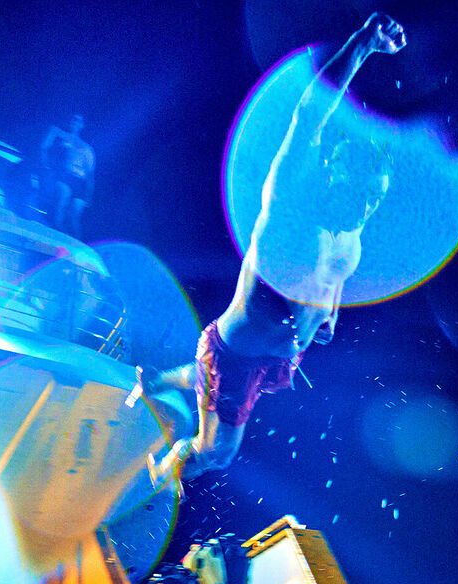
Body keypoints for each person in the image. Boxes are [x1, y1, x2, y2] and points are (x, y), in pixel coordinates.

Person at [140, 13, 406, 482]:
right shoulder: (289, 204)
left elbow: (333, 276)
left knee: (209, 395)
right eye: (361, 193)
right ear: (333, 172)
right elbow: (308, 115)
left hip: (279, 359)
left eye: (375, 199)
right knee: (216, 454)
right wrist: (363, 43)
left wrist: (329, 315)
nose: (366, 208)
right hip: (234, 356)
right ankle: (159, 473)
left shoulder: (353, 231)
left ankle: (157, 380)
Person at [37, 112, 95, 237]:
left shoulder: (86, 147)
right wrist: (46, 166)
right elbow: (44, 147)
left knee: (74, 216)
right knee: (62, 202)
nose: (75, 122)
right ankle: (57, 233)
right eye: (73, 119)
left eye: (78, 120)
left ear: (82, 125)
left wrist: (89, 194)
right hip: (65, 176)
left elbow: (90, 174)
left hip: (79, 181)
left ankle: (77, 243)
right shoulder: (59, 133)